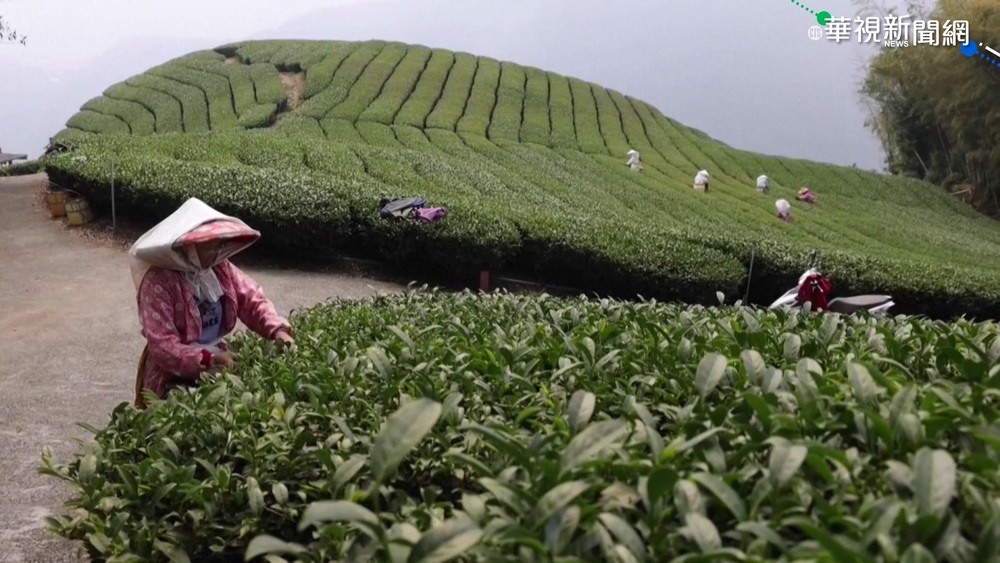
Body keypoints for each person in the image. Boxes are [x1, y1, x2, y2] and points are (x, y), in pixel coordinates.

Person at [128, 197, 294, 409]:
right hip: (173, 374)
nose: (217, 250)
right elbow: (163, 346)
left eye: (219, 244)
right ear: (188, 247)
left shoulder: (219, 268)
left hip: (218, 359)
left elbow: (251, 298)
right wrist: (209, 360)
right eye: (210, 245)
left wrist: (277, 329)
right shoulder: (158, 282)